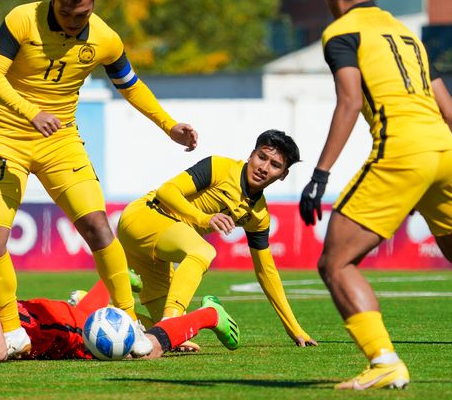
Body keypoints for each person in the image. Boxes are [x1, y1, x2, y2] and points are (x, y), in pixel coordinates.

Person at [0, 0, 198, 357]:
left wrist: (169, 126)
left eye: (83, 14)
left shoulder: (106, 38)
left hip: (60, 143)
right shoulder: (22, 19)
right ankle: (11, 334)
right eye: (66, 13)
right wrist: (30, 112)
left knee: (98, 227)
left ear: (94, 0)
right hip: (6, 138)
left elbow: (130, 84)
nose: (75, 22)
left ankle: (129, 321)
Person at [299, 0, 452, 390]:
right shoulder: (409, 36)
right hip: (445, 153)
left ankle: (384, 361)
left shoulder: (341, 34)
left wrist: (320, 175)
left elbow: (349, 101)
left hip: (403, 151)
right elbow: (450, 113)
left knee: (336, 262)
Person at [0, 237, 239, 365]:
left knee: (139, 350)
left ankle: (209, 314)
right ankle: (110, 286)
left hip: (50, 328)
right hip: (41, 335)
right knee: (90, 315)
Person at [118, 130, 316, 349]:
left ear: (283, 175)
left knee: (168, 337)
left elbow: (266, 272)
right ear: (251, 155)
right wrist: (203, 218)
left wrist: (295, 329)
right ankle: (171, 321)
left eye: (275, 165)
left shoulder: (259, 216)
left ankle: (94, 308)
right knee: (203, 252)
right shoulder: (220, 167)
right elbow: (167, 191)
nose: (264, 168)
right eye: (262, 157)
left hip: (157, 245)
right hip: (144, 216)